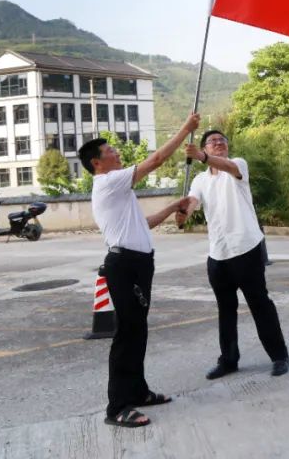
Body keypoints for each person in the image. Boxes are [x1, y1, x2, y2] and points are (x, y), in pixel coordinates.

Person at [77, 112, 200, 429]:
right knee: (126, 335)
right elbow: (157, 159)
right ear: (97, 163)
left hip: (138, 263)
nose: (116, 153)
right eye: (109, 152)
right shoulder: (108, 181)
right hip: (125, 265)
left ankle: (139, 392)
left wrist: (173, 207)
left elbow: (142, 225)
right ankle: (117, 407)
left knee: (138, 332)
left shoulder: (119, 190)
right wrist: (185, 128)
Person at [181, 129, 289, 381]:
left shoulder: (237, 165)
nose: (218, 143)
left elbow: (228, 166)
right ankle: (228, 360)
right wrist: (183, 213)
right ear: (204, 147)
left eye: (222, 141)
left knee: (260, 304)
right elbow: (193, 202)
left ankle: (279, 356)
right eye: (212, 142)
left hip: (246, 248)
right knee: (225, 310)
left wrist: (201, 157)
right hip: (217, 254)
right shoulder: (200, 180)